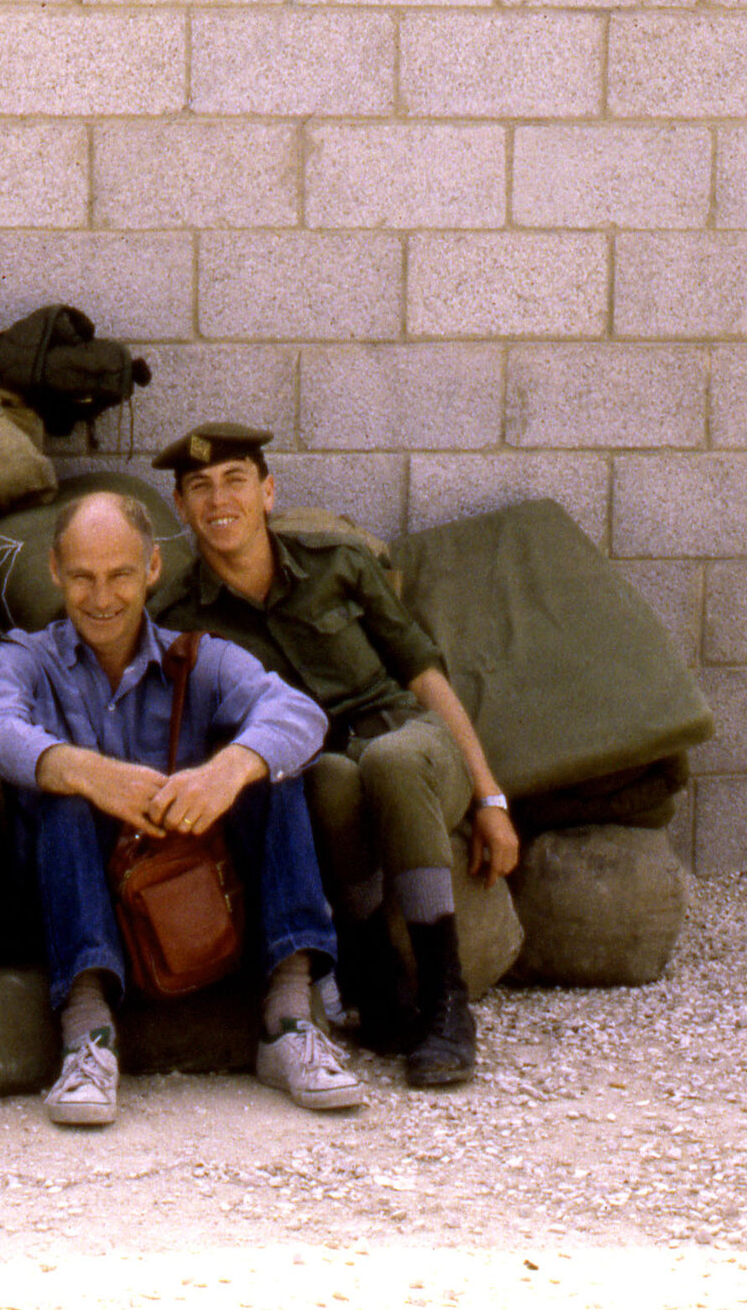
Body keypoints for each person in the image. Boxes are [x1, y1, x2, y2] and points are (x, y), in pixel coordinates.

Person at [0, 491, 360, 1125]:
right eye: (83, 578)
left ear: (152, 568)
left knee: (273, 766)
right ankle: (88, 1033)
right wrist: (88, 772)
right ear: (53, 572)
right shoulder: (22, 658)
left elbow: (299, 713)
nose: (102, 598)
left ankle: (290, 1017)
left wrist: (227, 772)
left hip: (182, 893)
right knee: (62, 790)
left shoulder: (196, 657)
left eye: (121, 575)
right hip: (56, 890)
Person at [149, 423, 516, 1086]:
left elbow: (423, 673)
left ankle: (445, 999)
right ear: (179, 508)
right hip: (321, 768)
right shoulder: (178, 614)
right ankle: (371, 976)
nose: (217, 500)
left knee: (389, 762)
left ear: (268, 491)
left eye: (235, 480)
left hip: (412, 743)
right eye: (198, 488)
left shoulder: (336, 562)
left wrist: (489, 795)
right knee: (323, 780)